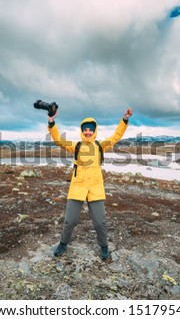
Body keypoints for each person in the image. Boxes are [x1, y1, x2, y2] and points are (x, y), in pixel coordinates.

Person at [47, 107, 132, 260]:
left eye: (90, 130)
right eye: (85, 129)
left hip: (95, 188)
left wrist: (124, 120)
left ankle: (104, 246)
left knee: (100, 222)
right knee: (70, 221)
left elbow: (116, 136)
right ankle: (63, 243)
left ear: (94, 131)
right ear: (81, 131)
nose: (87, 132)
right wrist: (52, 122)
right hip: (77, 187)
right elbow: (57, 139)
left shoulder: (100, 146)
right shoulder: (76, 146)